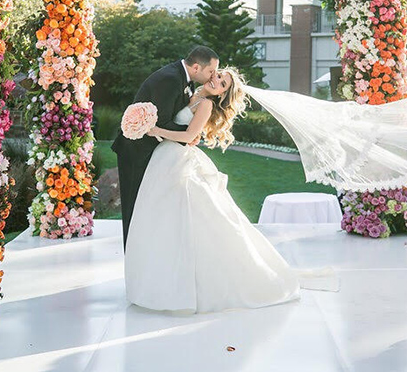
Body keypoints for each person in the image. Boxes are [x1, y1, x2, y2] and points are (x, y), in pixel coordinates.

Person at [124, 68, 301, 313]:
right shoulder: (191, 92)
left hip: (177, 159)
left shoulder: (205, 104)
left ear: (222, 94)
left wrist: (156, 131)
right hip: (163, 159)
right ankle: (157, 282)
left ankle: (192, 286)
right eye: (218, 75)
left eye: (222, 82)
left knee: (191, 218)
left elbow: (189, 135)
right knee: (161, 220)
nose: (215, 79)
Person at [111, 46, 219, 249]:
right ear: (196, 67)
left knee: (146, 204)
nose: (213, 76)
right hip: (136, 150)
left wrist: (189, 135)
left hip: (154, 151)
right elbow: (163, 121)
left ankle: (145, 251)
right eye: (211, 71)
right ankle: (133, 254)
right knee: (133, 205)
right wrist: (188, 136)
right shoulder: (171, 79)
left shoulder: (181, 77)